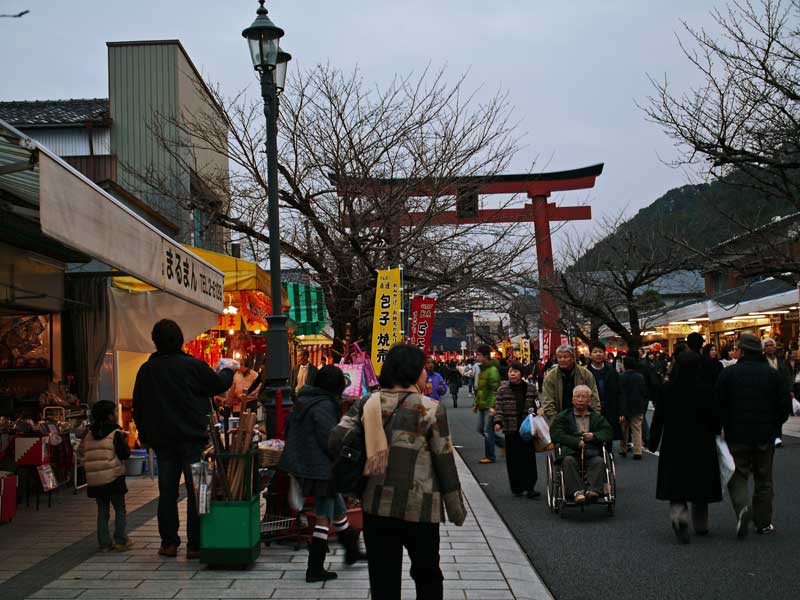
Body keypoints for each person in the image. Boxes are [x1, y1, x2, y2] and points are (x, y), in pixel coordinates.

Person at [330, 344, 466, 600]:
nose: (426, 373)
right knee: (427, 575)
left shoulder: (367, 403)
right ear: (414, 372)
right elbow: (444, 459)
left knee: (383, 579)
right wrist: (456, 509)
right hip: (422, 506)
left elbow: (336, 440)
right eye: (423, 368)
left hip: (377, 504)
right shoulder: (430, 408)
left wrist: (368, 430)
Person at [132, 319, 236, 559]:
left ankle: (169, 543)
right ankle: (195, 545)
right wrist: (229, 370)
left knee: (167, 491)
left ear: (155, 341)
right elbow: (218, 384)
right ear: (180, 339)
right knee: (196, 490)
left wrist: (146, 436)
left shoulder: (147, 370)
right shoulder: (191, 366)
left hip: (163, 442)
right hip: (193, 440)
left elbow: (138, 406)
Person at [279, 365, 365, 582]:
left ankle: (351, 549)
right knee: (324, 515)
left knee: (337, 506)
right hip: (319, 467)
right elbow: (331, 439)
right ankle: (315, 567)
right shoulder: (324, 405)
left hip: (305, 463)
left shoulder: (305, 400)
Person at [716, 333, 791, 537]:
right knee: (764, 478)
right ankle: (763, 521)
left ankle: (742, 507)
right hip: (765, 434)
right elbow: (784, 405)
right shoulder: (772, 374)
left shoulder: (728, 374)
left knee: (738, 474)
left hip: (737, 433)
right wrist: (776, 425)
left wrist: (722, 426)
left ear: (741, 351)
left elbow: (719, 404)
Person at [649, 343, 721, 544]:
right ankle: (701, 524)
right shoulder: (707, 389)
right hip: (702, 442)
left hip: (675, 442)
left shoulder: (667, 389)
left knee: (676, 485)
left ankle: (679, 516)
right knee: (701, 486)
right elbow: (716, 417)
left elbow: (659, 418)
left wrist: (653, 442)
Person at [78, 400, 132, 552]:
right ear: (109, 416)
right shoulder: (115, 433)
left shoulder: (88, 434)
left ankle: (104, 543)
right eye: (115, 412)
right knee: (120, 509)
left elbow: (82, 452)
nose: (117, 414)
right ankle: (121, 540)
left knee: (102, 511)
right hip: (113, 478)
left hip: (95, 481)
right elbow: (125, 454)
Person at [550, 385, 613, 504]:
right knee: (568, 461)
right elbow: (556, 434)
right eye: (577, 396)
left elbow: (608, 432)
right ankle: (577, 492)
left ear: (589, 400)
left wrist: (594, 436)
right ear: (572, 399)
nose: (580, 399)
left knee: (599, 461)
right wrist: (575, 442)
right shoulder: (563, 416)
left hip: (591, 451)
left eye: (583, 397)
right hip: (570, 451)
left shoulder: (597, 417)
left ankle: (593, 491)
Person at [494, 361, 540, 498]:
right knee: (513, 459)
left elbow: (538, 405)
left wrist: (537, 415)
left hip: (527, 429)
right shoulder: (502, 389)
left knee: (529, 458)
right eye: (510, 371)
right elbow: (499, 407)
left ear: (521, 374)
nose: (512, 374)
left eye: (515, 371)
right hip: (510, 428)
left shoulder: (531, 388)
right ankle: (517, 487)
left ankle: (530, 487)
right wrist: (498, 421)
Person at [540, 344, 600, 422]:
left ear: (573, 358)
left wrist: (595, 419)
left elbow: (594, 399)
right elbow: (547, 402)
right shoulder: (550, 377)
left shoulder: (585, 374)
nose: (562, 360)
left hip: (583, 418)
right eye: (559, 357)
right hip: (559, 418)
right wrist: (556, 422)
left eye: (565, 357)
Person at [587, 340, 621, 450]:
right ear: (590, 354)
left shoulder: (611, 371)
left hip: (610, 408)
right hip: (592, 409)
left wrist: (621, 412)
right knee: (594, 435)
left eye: (600, 352)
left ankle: (608, 457)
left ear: (604, 354)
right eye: (595, 352)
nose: (598, 354)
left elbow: (619, 391)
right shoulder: (585, 372)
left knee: (608, 435)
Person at [472, 344, 502, 464]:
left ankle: (490, 456)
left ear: (485, 356)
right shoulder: (483, 369)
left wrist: (493, 406)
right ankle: (502, 444)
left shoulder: (492, 370)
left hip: (489, 406)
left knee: (487, 430)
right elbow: (481, 389)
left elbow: (495, 390)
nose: (477, 357)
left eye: (478, 355)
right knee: (481, 429)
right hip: (482, 404)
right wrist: (476, 403)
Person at [762, 337, 792, 448]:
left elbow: (788, 375)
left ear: (775, 347)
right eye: (767, 346)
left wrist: (790, 390)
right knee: (772, 415)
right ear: (763, 348)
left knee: (782, 414)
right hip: (768, 393)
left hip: (782, 392)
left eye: (771, 345)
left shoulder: (781, 360)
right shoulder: (762, 361)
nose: (769, 348)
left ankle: (776, 435)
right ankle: (776, 436)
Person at [619, 356, 648, 459]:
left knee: (624, 429)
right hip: (638, 405)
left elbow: (619, 393)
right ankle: (637, 451)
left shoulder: (621, 377)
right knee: (637, 429)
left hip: (625, 406)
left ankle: (623, 449)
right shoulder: (640, 377)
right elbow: (643, 391)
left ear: (624, 365)